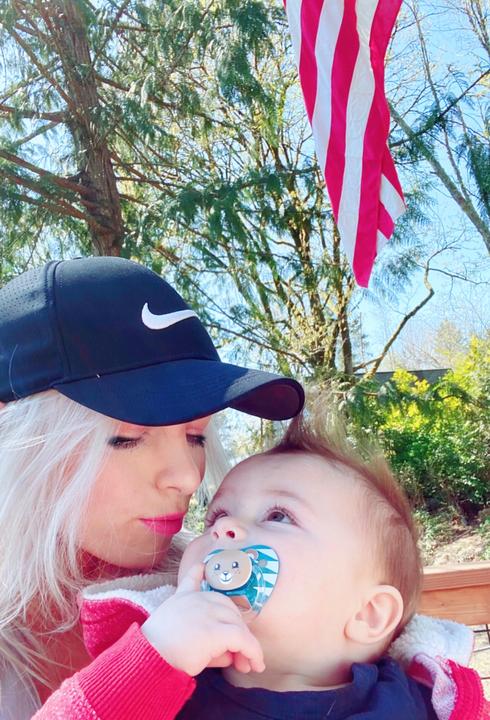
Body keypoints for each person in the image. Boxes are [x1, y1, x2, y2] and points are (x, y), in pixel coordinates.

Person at [0, 255, 305, 718]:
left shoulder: (227, 580)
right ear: (16, 438)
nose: (187, 477)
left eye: (196, 436)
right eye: (127, 438)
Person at [72, 415, 489, 720]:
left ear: (368, 614)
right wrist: (154, 657)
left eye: (278, 516)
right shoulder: (158, 690)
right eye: (217, 516)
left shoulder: (414, 706)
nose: (225, 529)